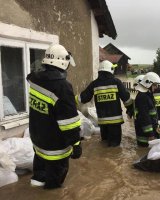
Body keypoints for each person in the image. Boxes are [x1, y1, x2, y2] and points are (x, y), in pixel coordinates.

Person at [27, 44, 82, 189]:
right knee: (54, 187)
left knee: (39, 178)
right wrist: (76, 144)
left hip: (37, 139)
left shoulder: (34, 79)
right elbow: (68, 122)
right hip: (55, 146)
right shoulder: (62, 87)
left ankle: (36, 187)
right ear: (63, 62)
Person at [76, 60, 133, 147]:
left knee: (104, 144)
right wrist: (130, 108)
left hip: (102, 122)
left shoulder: (94, 84)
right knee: (115, 148)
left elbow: (83, 98)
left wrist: (71, 99)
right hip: (115, 123)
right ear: (110, 70)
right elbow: (126, 99)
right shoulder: (117, 82)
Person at [134, 72, 160, 147]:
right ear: (148, 84)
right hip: (145, 137)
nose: (156, 87)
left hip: (149, 133)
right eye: (154, 85)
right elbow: (144, 117)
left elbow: (151, 115)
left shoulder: (147, 95)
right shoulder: (142, 97)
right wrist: (150, 134)